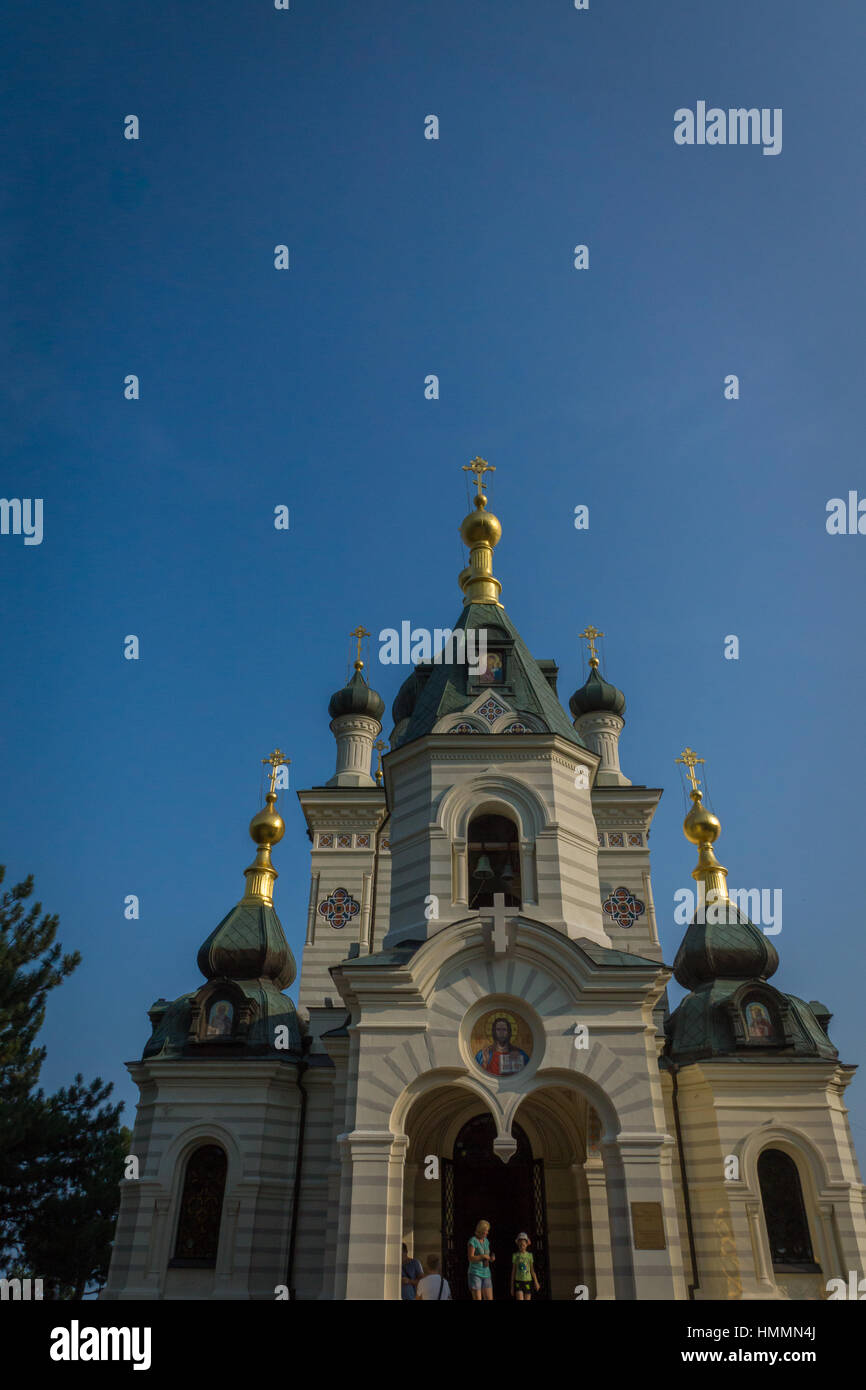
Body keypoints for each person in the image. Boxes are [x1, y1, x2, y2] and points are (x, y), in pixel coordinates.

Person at [467, 1219, 494, 1300]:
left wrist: (490, 1258)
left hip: (486, 1273)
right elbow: (470, 1258)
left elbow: (487, 1256)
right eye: (486, 1231)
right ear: (481, 1230)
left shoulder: (486, 1241)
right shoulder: (473, 1240)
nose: (487, 1233)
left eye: (488, 1231)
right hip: (475, 1273)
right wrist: (482, 1256)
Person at [510, 1232, 540, 1301]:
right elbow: (513, 1271)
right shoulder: (515, 1255)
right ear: (517, 1244)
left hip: (528, 1281)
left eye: (523, 1245)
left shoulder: (529, 1255)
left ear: (526, 1244)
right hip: (518, 1282)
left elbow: (532, 1270)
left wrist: (536, 1282)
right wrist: (512, 1287)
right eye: (520, 1245)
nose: (522, 1246)